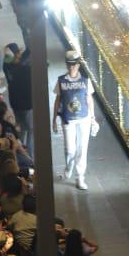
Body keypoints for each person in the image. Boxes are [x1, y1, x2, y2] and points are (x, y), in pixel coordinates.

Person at [52, 49, 97, 190]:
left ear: (78, 65)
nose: (72, 67)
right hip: (68, 119)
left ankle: (80, 177)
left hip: (84, 118)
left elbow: (89, 99)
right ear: (66, 65)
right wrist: (54, 120)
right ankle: (69, 168)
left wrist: (93, 118)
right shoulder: (61, 81)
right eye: (69, 64)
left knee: (82, 149)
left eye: (74, 64)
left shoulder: (85, 81)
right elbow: (57, 100)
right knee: (70, 149)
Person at [2, 43, 33, 151]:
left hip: (15, 104)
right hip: (27, 105)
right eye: (18, 52)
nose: (20, 54)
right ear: (16, 55)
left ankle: (19, 148)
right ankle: (29, 154)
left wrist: (28, 51)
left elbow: (19, 60)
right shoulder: (25, 70)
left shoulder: (6, 66)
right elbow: (23, 63)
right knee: (31, 129)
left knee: (22, 128)